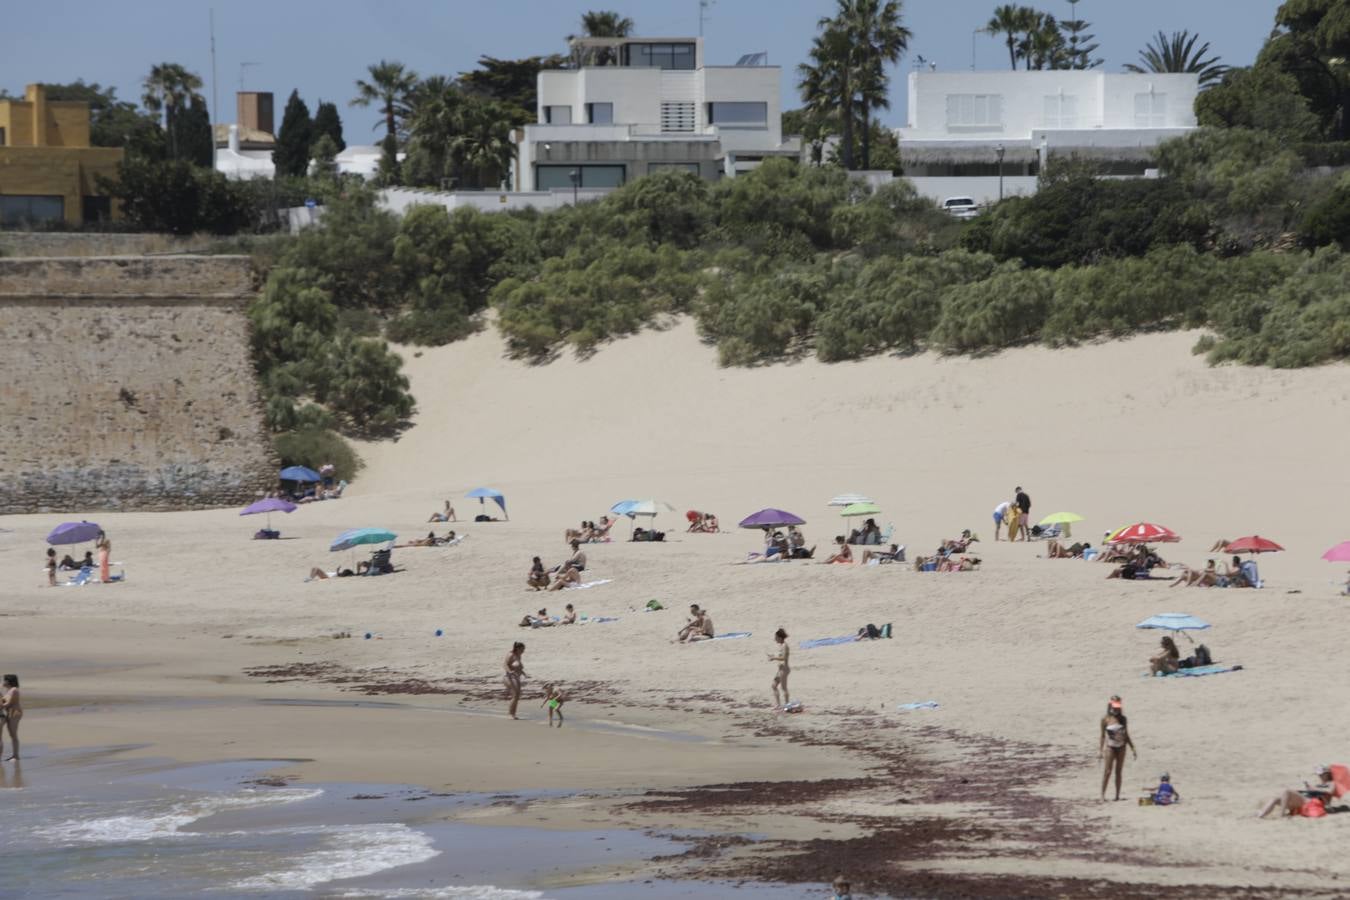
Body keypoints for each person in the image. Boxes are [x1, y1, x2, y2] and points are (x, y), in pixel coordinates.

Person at [1259, 765, 1349, 818]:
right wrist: (1308, 788)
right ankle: (1260, 816)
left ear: (1326, 774)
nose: (1319, 777)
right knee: (1275, 799)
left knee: (1286, 791)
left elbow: (1329, 791)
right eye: (1319, 775)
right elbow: (1312, 791)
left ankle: (1281, 816)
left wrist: (1313, 788)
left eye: (1321, 775)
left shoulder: (1331, 783)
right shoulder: (1319, 784)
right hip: (1305, 799)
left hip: (1311, 802)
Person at [1099, 696, 1137, 801]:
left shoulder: (1123, 719)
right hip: (1110, 747)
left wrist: (1132, 747)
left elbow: (1126, 734)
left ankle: (1117, 796)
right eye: (1115, 707)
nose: (1117, 709)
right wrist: (1100, 751)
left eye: (1118, 707)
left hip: (1121, 747)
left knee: (1118, 772)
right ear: (1110, 706)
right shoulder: (1105, 719)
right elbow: (1102, 736)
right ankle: (1102, 795)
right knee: (1107, 771)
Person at [769, 628, 790, 708]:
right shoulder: (781, 645)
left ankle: (787, 705)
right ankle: (778, 705)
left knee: (784, 688)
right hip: (780, 670)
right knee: (774, 685)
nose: (775, 639)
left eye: (776, 637)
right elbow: (780, 656)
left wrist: (774, 658)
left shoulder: (785, 646)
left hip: (784, 669)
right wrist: (773, 656)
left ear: (780, 638)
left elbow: (784, 658)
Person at [0, 675, 20, 761]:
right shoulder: (8, 691)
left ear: (8, 681)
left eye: (4, 680)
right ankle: (14, 755)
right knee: (11, 734)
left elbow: (8, 704)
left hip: (14, 712)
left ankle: (15, 756)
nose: (3, 682)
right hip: (9, 712)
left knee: (13, 734)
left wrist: (1, 703)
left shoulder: (14, 690)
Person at [504, 642, 526, 719]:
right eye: (522, 649)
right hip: (509, 677)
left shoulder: (518, 656)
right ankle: (510, 714)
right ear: (517, 648)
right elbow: (505, 664)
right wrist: (510, 672)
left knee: (517, 696)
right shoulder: (510, 654)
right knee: (515, 695)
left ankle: (513, 714)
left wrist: (524, 674)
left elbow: (519, 667)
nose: (523, 651)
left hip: (516, 677)